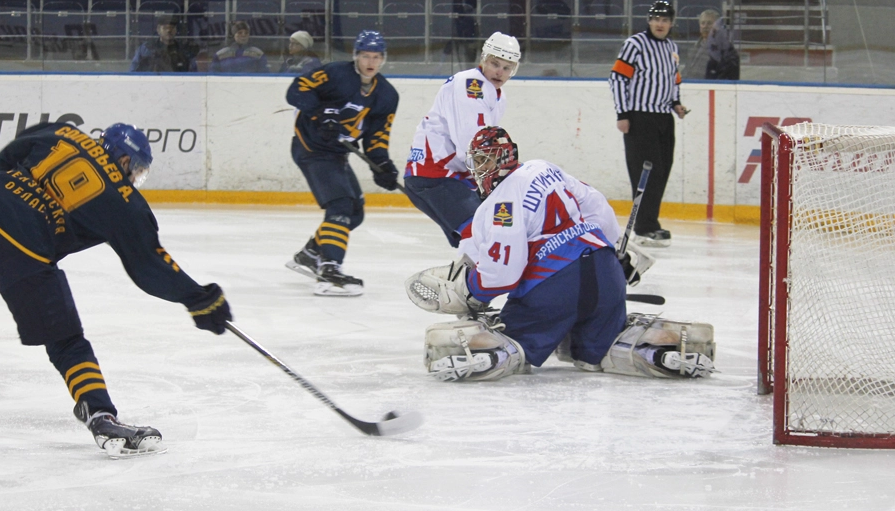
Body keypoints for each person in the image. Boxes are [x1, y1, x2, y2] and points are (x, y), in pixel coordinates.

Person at [0, 122, 232, 456]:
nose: (134, 178)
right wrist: (200, 299)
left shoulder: (63, 132)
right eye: (138, 170)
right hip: (22, 249)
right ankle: (100, 416)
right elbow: (149, 265)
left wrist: (16, 199)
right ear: (125, 161)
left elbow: (9, 155)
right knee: (66, 341)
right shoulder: (123, 199)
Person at [404, 126, 716, 382]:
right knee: (600, 348)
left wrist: (472, 291)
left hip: (553, 289)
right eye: (478, 161)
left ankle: (488, 353)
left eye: (485, 160)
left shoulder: (499, 204)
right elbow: (597, 206)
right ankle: (654, 350)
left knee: (511, 340)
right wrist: (614, 254)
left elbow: (503, 273)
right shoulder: (544, 168)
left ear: (502, 158)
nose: (481, 169)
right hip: (606, 275)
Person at [283, 29, 401, 297]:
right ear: (356, 56)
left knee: (354, 212)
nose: (371, 62)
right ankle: (330, 268)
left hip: (336, 154)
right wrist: (319, 112)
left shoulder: (387, 95)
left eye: (376, 57)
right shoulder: (335, 73)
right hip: (311, 148)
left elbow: (377, 137)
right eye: (366, 56)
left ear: (383, 59)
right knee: (340, 205)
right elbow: (297, 89)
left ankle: (310, 254)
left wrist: (382, 165)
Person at [403, 32, 521, 248]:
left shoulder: (497, 94)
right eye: (495, 64)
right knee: (482, 234)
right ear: (483, 59)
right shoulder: (471, 85)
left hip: (451, 175)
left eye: (507, 68)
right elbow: (471, 147)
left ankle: (469, 268)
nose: (499, 72)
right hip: (435, 174)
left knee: (483, 235)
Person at [608, 0, 688, 247]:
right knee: (645, 172)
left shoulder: (672, 47)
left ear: (671, 23)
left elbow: (673, 79)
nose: (660, 24)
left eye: (665, 20)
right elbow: (617, 78)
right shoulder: (635, 45)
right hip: (640, 118)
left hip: (664, 118)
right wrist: (623, 114)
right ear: (649, 21)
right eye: (656, 19)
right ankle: (644, 227)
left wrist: (676, 103)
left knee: (662, 171)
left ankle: (650, 222)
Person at [682, 9, 740, 81]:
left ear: (717, 27)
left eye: (709, 23)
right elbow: (686, 71)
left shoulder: (725, 50)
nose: (705, 26)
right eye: (703, 23)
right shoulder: (695, 47)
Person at [130, 14, 198, 73]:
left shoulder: (184, 50)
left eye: (172, 28)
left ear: (176, 30)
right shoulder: (146, 49)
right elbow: (133, 72)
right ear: (158, 30)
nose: (169, 30)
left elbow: (194, 73)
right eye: (165, 28)